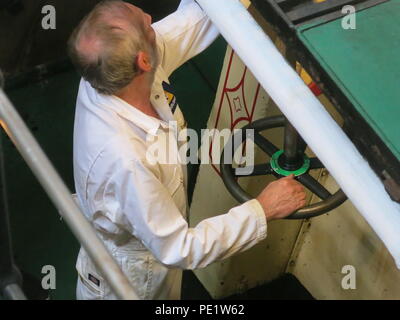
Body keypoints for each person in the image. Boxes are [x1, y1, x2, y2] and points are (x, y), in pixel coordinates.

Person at [68, 0, 306, 300]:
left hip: (151, 249)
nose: (150, 17)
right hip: (133, 279)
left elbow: (192, 20)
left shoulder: (110, 70)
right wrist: (262, 209)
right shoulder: (125, 158)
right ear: (143, 61)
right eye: (146, 24)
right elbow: (179, 247)